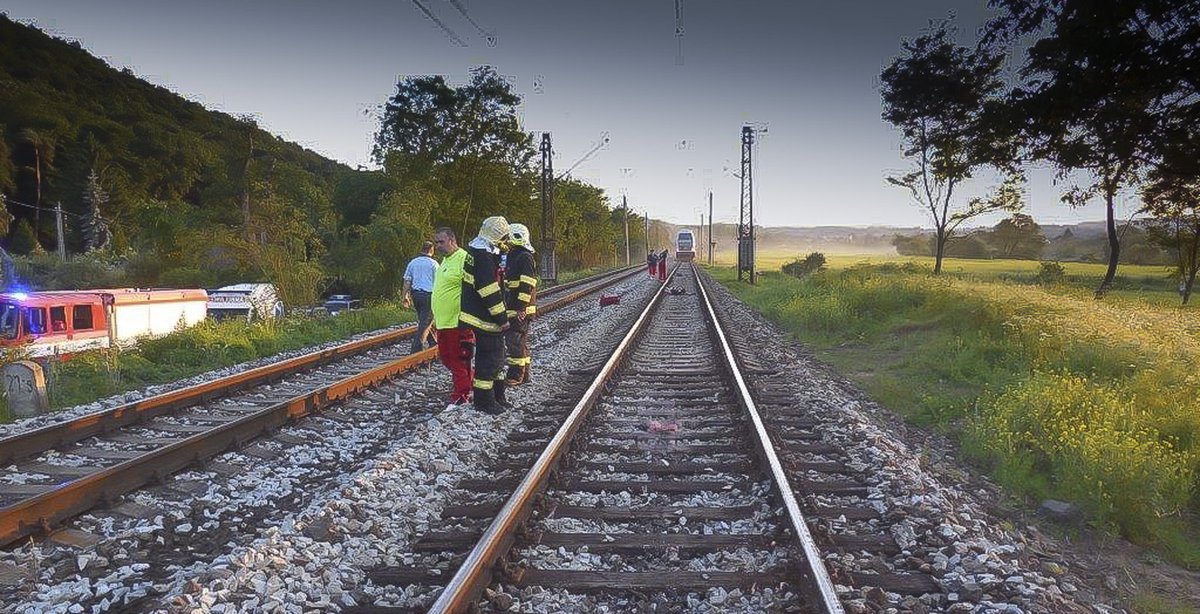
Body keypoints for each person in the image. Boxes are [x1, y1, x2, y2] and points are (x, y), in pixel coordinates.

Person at [460, 216, 511, 414]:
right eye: (504, 239)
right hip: (485, 319)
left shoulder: (481, 251)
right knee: (488, 361)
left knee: (498, 359)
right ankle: (484, 402)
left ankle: (498, 396)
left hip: (483, 317)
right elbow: (488, 290)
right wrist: (502, 318)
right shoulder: (483, 257)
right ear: (497, 237)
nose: (506, 243)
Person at [431, 228, 474, 410]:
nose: (438, 246)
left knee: (458, 360)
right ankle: (470, 385)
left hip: (457, 322)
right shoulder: (445, 261)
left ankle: (461, 396)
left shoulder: (464, 259)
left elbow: (472, 289)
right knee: (448, 359)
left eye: (441, 242)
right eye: (436, 242)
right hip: (443, 322)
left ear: (452, 240)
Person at [503, 223, 538, 386]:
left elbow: (527, 284)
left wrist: (521, 308)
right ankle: (524, 375)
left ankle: (516, 374)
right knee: (519, 342)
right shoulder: (515, 254)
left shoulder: (524, 256)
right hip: (514, 306)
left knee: (514, 341)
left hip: (519, 308)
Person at [402, 241, 439, 353]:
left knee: (424, 320)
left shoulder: (413, 263)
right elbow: (439, 282)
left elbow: (407, 281)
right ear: (431, 250)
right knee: (426, 322)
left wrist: (405, 296)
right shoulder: (434, 264)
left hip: (416, 295)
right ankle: (416, 350)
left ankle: (433, 343)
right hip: (429, 295)